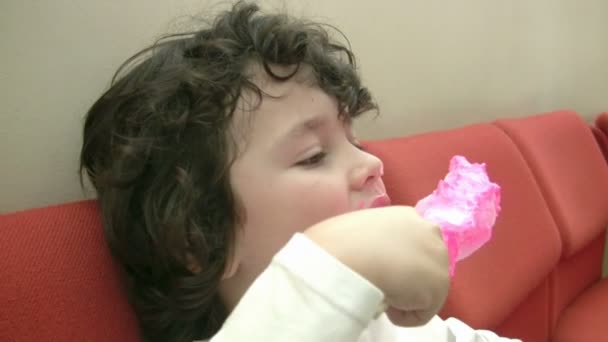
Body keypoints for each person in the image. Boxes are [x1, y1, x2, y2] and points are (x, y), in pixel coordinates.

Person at [80, 2, 521, 341]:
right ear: (198, 236)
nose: (371, 164)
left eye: (354, 141)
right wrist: (335, 264)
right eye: (312, 155)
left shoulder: (387, 321)